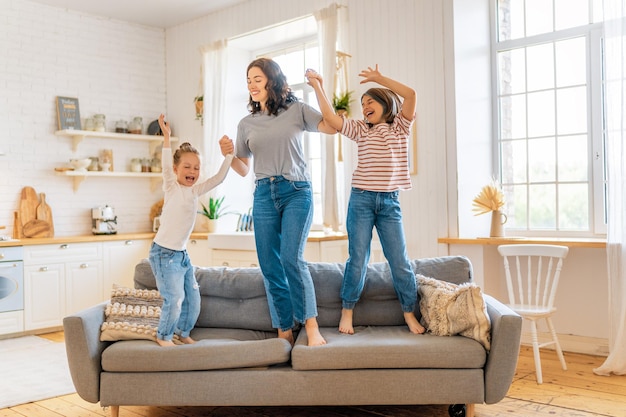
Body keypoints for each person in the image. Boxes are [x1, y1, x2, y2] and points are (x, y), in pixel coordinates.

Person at [218, 58, 336, 346]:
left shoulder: (296, 110)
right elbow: (244, 168)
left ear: (273, 80)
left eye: (257, 79)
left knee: (291, 259)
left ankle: (310, 326)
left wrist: (318, 87)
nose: (252, 85)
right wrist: (228, 155)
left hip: (296, 191)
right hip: (263, 194)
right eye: (248, 80)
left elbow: (332, 126)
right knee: (270, 265)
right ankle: (284, 329)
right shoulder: (246, 123)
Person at [306, 65, 426, 335]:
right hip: (361, 200)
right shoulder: (361, 130)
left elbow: (411, 95)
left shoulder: (400, 127)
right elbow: (330, 118)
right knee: (358, 258)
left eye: (370, 101)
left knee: (400, 262)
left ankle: (409, 313)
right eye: (362, 104)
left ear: (385, 104)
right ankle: (347, 311)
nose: (365, 106)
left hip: (389, 204)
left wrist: (379, 79)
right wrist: (318, 86)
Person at [150, 114, 234, 347]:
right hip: (164, 254)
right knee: (174, 298)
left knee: (193, 299)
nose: (192, 171)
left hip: (182, 255)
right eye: (187, 166)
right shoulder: (171, 186)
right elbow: (165, 163)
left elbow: (217, 178)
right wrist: (166, 137)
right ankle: (163, 336)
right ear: (176, 169)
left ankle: (182, 331)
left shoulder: (195, 191)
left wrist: (229, 157)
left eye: (196, 167)